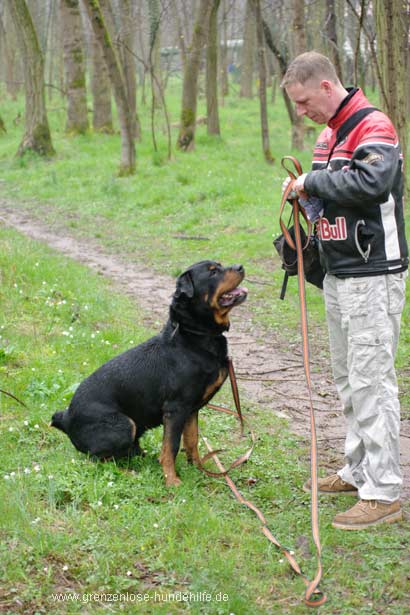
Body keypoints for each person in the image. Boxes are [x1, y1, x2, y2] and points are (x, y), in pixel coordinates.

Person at [281, 51, 408, 530]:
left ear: (326, 86)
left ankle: (383, 492)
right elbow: (328, 194)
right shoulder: (327, 135)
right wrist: (302, 195)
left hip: (373, 272)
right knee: (349, 379)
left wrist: (312, 180)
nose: (302, 112)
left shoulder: (373, 125)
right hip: (337, 272)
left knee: (372, 380)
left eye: (304, 101)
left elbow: (372, 182)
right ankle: (358, 470)